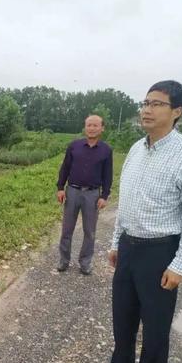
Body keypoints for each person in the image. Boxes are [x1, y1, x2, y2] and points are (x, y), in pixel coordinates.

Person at [91, 80, 182, 363]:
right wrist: (115, 243)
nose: (147, 109)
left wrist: (180, 262)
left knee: (155, 330)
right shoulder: (136, 150)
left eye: (157, 104)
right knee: (122, 324)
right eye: (145, 102)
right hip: (129, 248)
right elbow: (126, 203)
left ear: (177, 112)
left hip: (161, 252)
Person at [56, 115, 113, 275]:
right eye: (89, 125)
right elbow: (65, 168)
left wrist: (104, 195)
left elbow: (108, 175)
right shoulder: (74, 146)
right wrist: (60, 187)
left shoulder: (106, 150)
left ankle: (85, 262)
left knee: (90, 231)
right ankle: (64, 260)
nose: (92, 128)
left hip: (92, 194)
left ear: (102, 128)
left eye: (95, 125)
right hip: (72, 191)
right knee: (67, 229)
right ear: (85, 127)